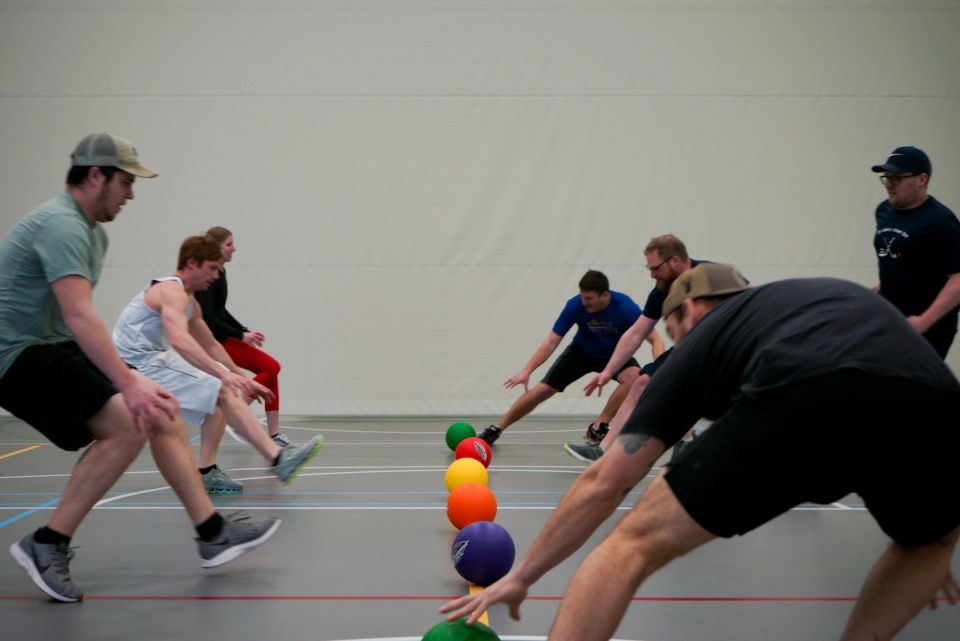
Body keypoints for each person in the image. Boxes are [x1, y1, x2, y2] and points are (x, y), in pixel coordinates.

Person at [442, 263, 960, 640]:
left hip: (802, 390)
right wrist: (927, 524)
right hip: (936, 401)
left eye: (671, 328)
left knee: (628, 547)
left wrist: (521, 577)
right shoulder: (812, 297)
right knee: (926, 544)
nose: (675, 338)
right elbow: (880, 376)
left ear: (688, 310)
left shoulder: (704, 333)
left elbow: (606, 481)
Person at [1, 133, 280, 603]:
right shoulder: (62, 226)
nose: (130, 194)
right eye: (126, 182)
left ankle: (211, 532)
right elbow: (79, 314)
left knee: (162, 408)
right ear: (96, 176)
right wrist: (130, 382)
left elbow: (73, 321)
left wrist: (146, 385)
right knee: (132, 418)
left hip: (50, 345)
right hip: (17, 353)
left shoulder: (92, 231)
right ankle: (48, 542)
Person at [112, 235, 323, 495]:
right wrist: (224, 377)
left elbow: (211, 345)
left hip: (149, 359)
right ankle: (278, 458)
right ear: (192, 263)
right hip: (136, 364)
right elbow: (179, 340)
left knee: (223, 387)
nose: (216, 275)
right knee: (221, 387)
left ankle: (208, 471)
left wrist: (239, 378)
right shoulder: (171, 292)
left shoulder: (190, 302)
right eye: (212, 268)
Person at [564, 234, 707, 462]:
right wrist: (608, 372)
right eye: (648, 268)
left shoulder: (712, 274)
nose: (651, 274)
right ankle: (603, 451)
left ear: (675, 261)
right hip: (693, 347)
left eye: (655, 268)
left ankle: (691, 441)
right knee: (641, 382)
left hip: (726, 346)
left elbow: (753, 295)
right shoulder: (662, 290)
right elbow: (636, 333)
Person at [478, 270, 663, 446]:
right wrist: (527, 370)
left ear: (605, 295)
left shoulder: (625, 307)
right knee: (544, 390)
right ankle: (497, 428)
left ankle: (599, 426)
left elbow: (655, 339)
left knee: (633, 378)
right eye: (582, 297)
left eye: (589, 299)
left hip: (614, 356)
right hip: (581, 353)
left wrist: (659, 369)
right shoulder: (575, 305)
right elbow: (551, 341)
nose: (584, 303)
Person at [194, 226, 291, 446]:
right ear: (217, 248)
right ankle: (237, 417)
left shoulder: (220, 272)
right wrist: (239, 334)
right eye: (229, 244)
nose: (234, 249)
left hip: (224, 336)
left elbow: (221, 311)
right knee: (272, 367)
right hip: (214, 341)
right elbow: (206, 318)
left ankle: (274, 434)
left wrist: (243, 332)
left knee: (271, 370)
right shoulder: (210, 275)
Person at [871, 146, 960, 358]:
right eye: (887, 178)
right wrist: (882, 287)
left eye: (897, 179)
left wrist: (924, 320)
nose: (890, 185)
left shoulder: (940, 221)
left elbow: (957, 279)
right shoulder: (884, 211)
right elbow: (907, 262)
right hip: (893, 318)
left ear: (921, 180)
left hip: (927, 328)